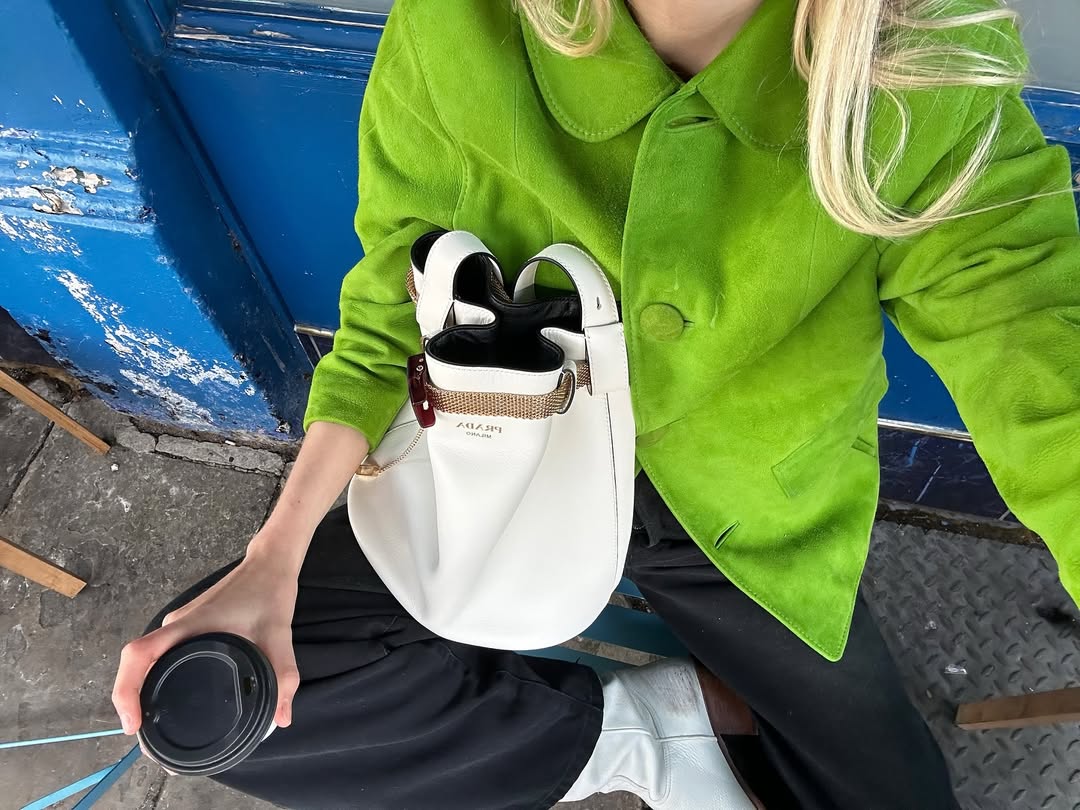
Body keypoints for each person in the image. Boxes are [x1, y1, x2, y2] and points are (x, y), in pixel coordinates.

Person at [112, 0, 1080, 807]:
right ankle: (648, 738)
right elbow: (385, 314)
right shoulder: (461, 21)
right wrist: (274, 554)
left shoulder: (918, 64)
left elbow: (1037, 344)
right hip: (504, 459)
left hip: (746, 517)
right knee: (223, 682)